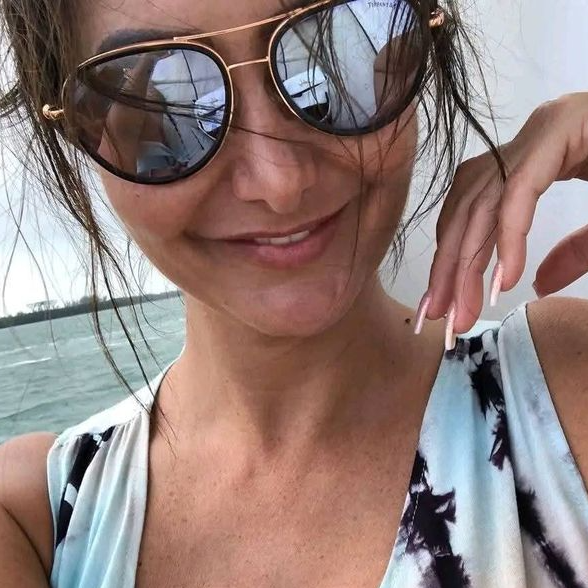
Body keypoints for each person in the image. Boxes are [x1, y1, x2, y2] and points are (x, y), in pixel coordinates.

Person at [0, 0, 587, 586]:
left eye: (333, 58)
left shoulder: (563, 391)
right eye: (164, 109)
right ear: (73, 126)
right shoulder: (35, 522)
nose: (279, 182)